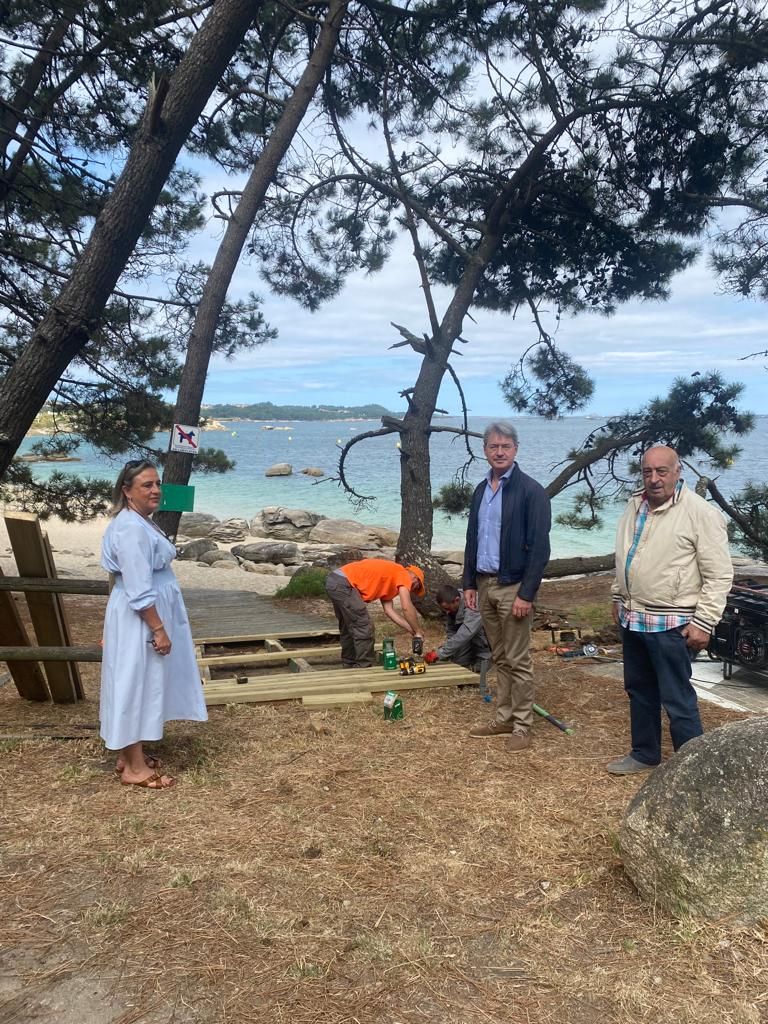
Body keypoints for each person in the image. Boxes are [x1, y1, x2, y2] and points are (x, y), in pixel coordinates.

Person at [608, 444, 733, 775]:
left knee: (677, 699)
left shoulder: (700, 514)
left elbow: (719, 575)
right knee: (639, 691)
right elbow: (625, 554)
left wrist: (705, 622)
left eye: (661, 471)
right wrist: (618, 596)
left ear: (678, 472)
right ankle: (644, 754)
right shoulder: (635, 505)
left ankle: (691, 770)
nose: (653, 478)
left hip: (672, 623)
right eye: (647, 471)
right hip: (634, 619)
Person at [100, 460, 207, 789]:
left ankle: (129, 755)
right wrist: (158, 628)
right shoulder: (131, 528)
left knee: (137, 680)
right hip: (140, 617)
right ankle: (134, 768)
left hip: (136, 612)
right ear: (127, 491)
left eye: (157, 483)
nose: (156, 490)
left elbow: (122, 579)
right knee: (135, 683)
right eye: (146, 485)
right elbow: (137, 586)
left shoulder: (138, 522)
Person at [462, 421, 551, 751]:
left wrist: (526, 593)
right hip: (485, 585)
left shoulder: (531, 491)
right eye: (493, 447)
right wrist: (468, 582)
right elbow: (473, 539)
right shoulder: (481, 490)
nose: (499, 452)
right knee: (499, 656)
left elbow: (540, 548)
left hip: (513, 586)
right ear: (485, 450)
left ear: (515, 449)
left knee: (518, 658)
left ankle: (523, 726)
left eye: (505, 446)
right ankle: (504, 717)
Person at [325, 558, 425, 668]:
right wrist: (418, 630)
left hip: (335, 580)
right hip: (344, 583)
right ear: (415, 579)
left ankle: (349, 664)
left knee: (349, 627)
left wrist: (412, 630)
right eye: (416, 587)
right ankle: (363, 667)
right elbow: (406, 607)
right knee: (364, 627)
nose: (412, 590)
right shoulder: (404, 574)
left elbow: (389, 611)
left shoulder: (391, 579)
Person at [425, 583, 491, 670]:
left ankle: (484, 658)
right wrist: (447, 651)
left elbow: (466, 632)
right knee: (458, 663)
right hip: (468, 637)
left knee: (480, 668)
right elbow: (452, 631)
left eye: (448, 609)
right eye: (444, 609)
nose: (447, 612)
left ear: (457, 600)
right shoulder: (452, 605)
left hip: (487, 637)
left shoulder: (473, 602)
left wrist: (440, 653)